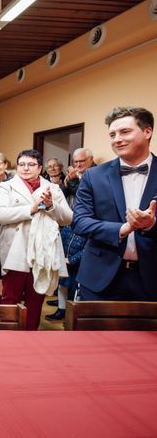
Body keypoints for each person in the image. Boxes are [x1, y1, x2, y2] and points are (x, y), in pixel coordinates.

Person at [73, 107, 157, 301]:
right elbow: (80, 222)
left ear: (147, 131)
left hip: (152, 278)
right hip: (99, 278)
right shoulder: (93, 176)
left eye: (125, 132)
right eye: (112, 134)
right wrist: (123, 228)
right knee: (94, 333)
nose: (117, 139)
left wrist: (151, 225)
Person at [0, 149, 73, 330]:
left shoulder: (52, 188)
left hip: (42, 251)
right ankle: (7, 336)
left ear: (39, 168)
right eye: (21, 164)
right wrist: (32, 209)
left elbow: (68, 218)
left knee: (36, 297)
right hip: (16, 248)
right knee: (10, 297)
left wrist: (52, 205)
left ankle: (31, 336)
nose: (25, 168)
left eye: (31, 165)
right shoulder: (7, 186)